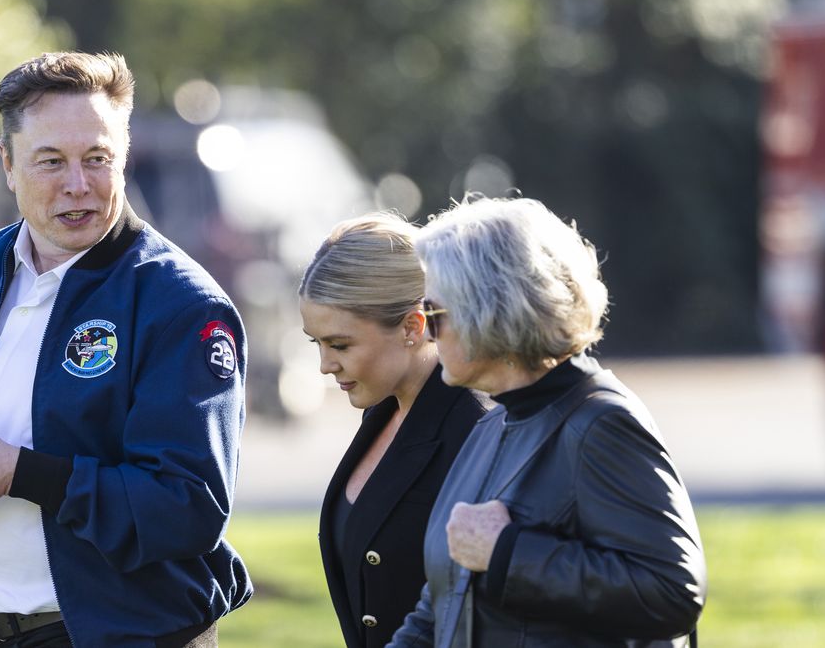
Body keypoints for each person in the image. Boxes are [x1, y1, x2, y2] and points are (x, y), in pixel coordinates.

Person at [0, 52, 250, 648]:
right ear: (9, 165)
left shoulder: (180, 305)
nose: (79, 184)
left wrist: (16, 473)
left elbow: (187, 506)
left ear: (122, 158)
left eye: (97, 159)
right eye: (51, 161)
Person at [388, 196, 707, 647]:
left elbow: (671, 590)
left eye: (434, 315)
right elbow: (439, 612)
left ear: (490, 309)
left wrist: (506, 553)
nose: (426, 333)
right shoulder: (490, 428)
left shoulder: (602, 423)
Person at [299, 213, 491, 648]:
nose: (325, 365)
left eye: (340, 345)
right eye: (318, 343)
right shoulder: (382, 412)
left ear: (412, 326)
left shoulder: (477, 429)